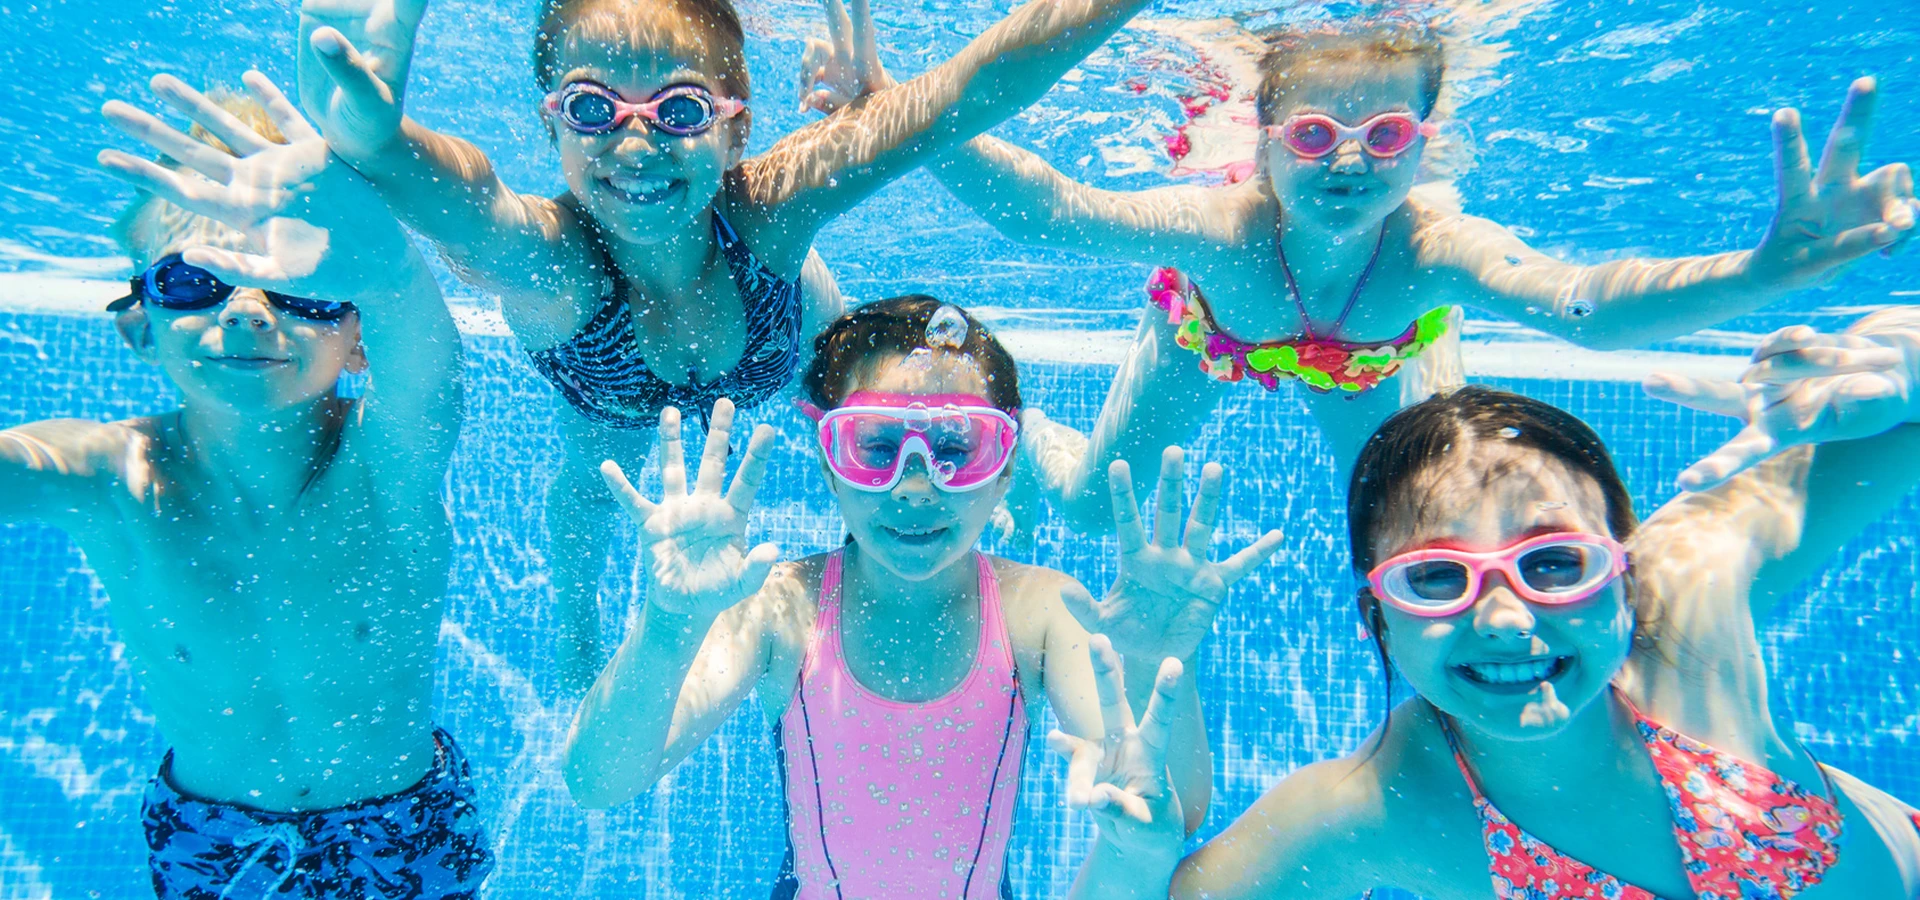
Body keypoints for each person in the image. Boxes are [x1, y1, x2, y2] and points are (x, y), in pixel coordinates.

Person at [293, 0, 1167, 686]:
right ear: (551, 124)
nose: (635, 143)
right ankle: (575, 625)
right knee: (591, 486)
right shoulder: (552, 262)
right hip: (613, 394)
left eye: (678, 109)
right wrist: (374, 139)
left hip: (783, 344)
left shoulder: (766, 208)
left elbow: (964, 91)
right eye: (593, 107)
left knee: (884, 393)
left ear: (735, 128)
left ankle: (1002, 456)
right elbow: (463, 197)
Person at [801, 10, 1920, 532]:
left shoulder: (1429, 247)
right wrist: (894, 108)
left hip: (1378, 361)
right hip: (1213, 336)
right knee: (1095, 508)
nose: (1347, 163)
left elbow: (1581, 307)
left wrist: (1763, 269)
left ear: (1424, 145)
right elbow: (1053, 213)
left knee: (1428, 521)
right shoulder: (1223, 230)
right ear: (1266, 136)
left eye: (1384, 138)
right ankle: (1033, 435)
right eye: (1313, 138)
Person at [1056, 312, 1920, 898]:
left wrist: (1903, 362)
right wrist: (1133, 852)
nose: (1506, 620)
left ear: (1624, 571)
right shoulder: (1379, 804)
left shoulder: (1693, 592)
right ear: (1377, 615)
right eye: (1436, 577)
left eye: (1553, 565)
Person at [561, 297, 1283, 897]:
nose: (915, 485)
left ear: (1003, 475)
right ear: (830, 467)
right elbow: (598, 781)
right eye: (875, 447)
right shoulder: (781, 609)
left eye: (956, 447)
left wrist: (1154, 661)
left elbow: (1170, 808)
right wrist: (666, 628)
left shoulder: (1041, 612)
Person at [0, 73, 488, 896]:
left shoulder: (385, 462)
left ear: (359, 340)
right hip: (214, 838)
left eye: (304, 289)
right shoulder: (105, 474)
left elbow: (429, 369)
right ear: (138, 326)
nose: (251, 310)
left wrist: (383, 259)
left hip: (402, 823)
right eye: (194, 281)